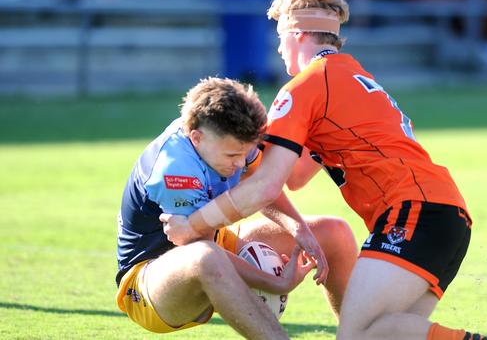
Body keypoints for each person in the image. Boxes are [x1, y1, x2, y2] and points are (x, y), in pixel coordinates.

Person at [161, 0, 487, 340]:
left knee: (356, 336)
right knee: (386, 332)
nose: (279, 50)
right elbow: (294, 176)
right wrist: (256, 144)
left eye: (280, 39)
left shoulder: (306, 85)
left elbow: (267, 185)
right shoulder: (353, 76)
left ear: (296, 36)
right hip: (445, 216)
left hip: (413, 213)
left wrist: (193, 224)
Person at [115, 76, 357, 339]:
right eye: (232, 156)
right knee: (205, 256)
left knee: (334, 233)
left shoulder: (231, 140)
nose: (241, 163)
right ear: (196, 138)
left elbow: (259, 185)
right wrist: (274, 282)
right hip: (150, 285)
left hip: (216, 245)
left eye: (246, 153)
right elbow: (198, 246)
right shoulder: (175, 168)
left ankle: (359, 335)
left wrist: (299, 229)